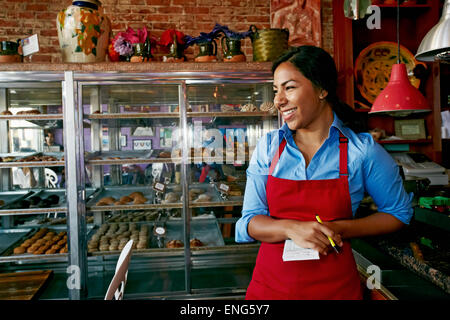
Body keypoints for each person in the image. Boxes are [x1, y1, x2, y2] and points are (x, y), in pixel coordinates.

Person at [235, 46, 413, 300]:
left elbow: (399, 213)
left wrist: (338, 228)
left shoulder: (361, 151)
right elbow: (249, 221)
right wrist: (291, 229)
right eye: (276, 90)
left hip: (336, 291)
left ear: (322, 89)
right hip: (271, 289)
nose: (278, 100)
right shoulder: (269, 147)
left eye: (289, 87)